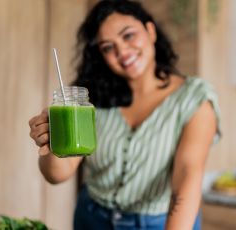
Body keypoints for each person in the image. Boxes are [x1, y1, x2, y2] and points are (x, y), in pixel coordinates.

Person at [28, 0, 221, 229]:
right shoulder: (92, 99)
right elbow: (58, 174)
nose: (121, 51)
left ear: (150, 31)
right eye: (108, 47)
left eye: (128, 35)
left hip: (158, 223)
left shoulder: (194, 98)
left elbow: (187, 176)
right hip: (92, 218)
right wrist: (52, 143)